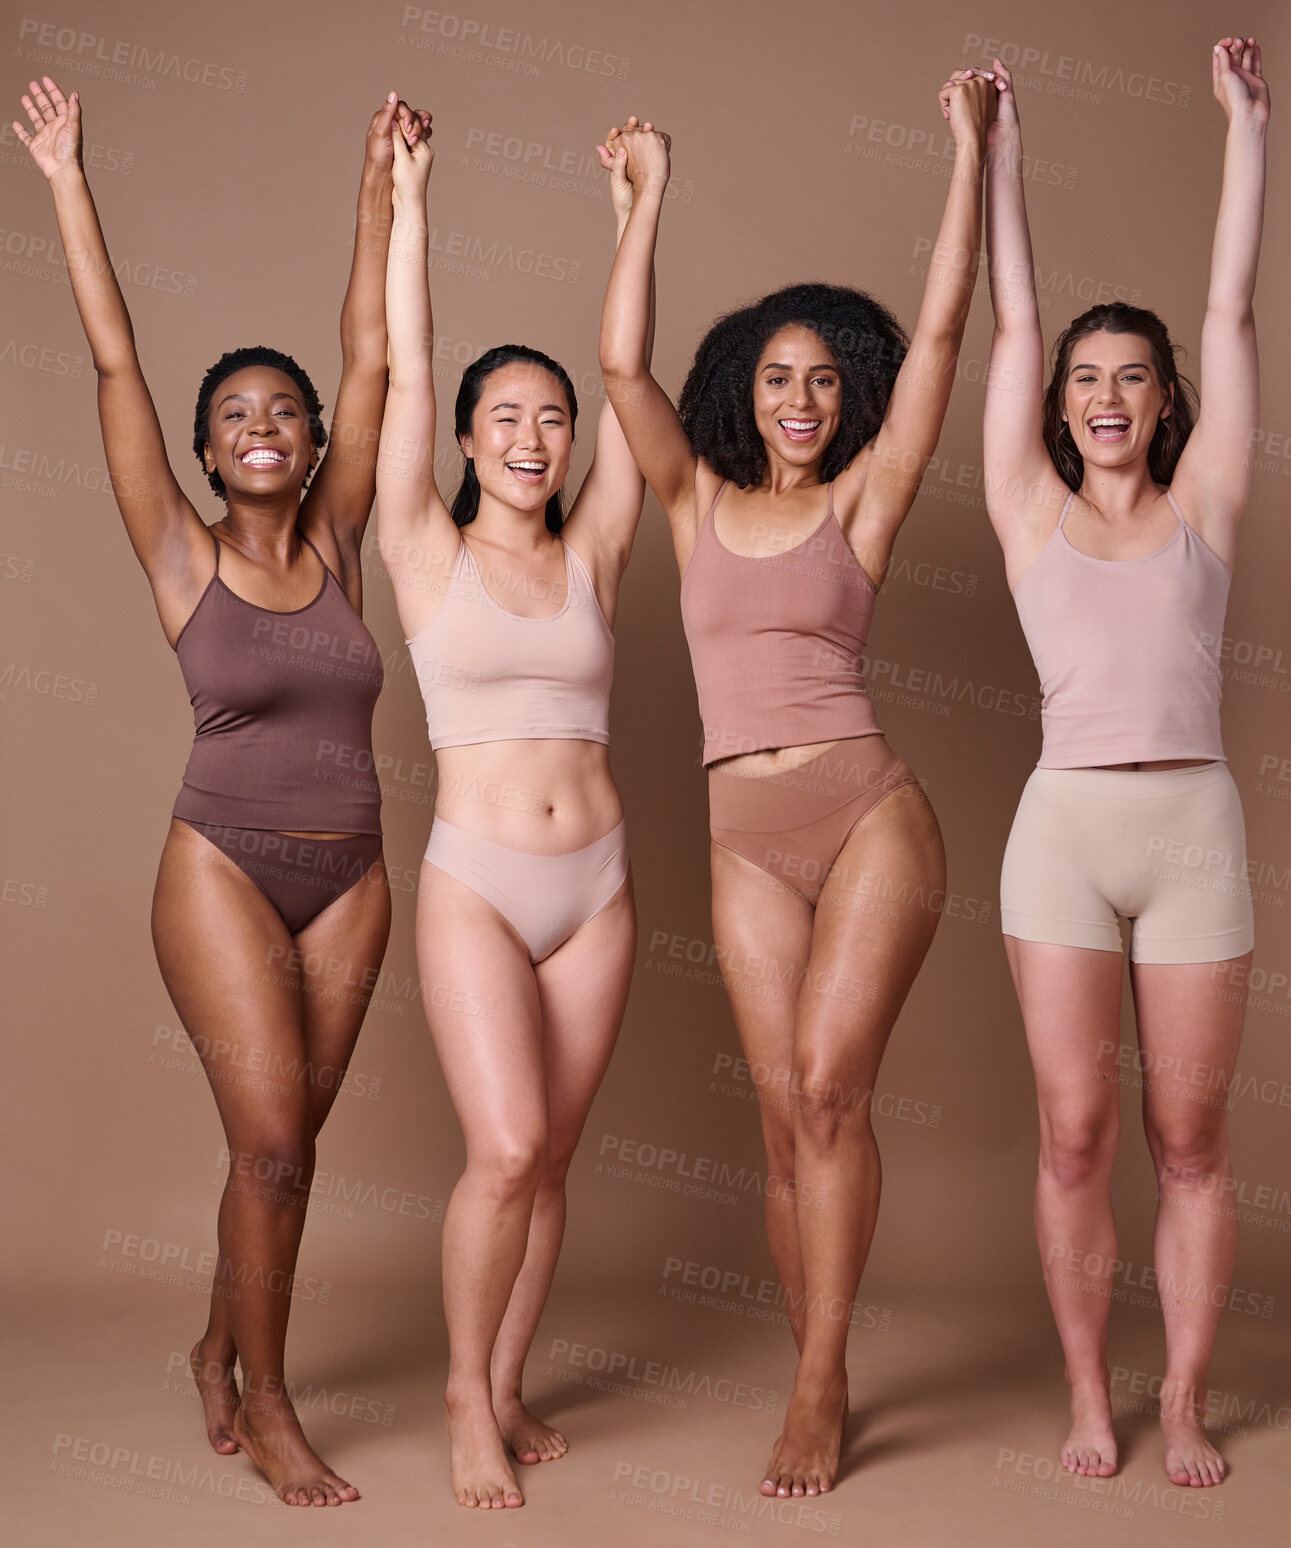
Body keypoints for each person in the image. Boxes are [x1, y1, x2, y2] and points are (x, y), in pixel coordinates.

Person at [13, 75, 429, 1507]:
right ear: (206, 452)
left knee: (288, 1152)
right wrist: (69, 180)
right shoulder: (182, 556)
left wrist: (378, 190)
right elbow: (119, 367)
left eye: (283, 412)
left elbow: (369, 358)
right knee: (270, 1145)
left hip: (357, 878)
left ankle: (212, 1343)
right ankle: (267, 1399)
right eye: (233, 414)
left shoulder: (344, 536)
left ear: (310, 443)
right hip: (224, 866)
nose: (262, 423)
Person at [599, 76, 997, 1497]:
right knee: (782, 1128)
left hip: (866, 811)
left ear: (852, 399)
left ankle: (823, 1382)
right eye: (777, 377)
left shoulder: (864, 500)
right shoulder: (695, 500)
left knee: (830, 1093)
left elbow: (945, 329)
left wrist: (966, 150)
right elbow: (622, 375)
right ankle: (810, 1345)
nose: (801, 399)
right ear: (742, 393)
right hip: (741, 838)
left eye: (826, 377)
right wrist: (644, 206)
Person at [982, 42, 1266, 1487]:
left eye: (1132, 380)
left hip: (1195, 830)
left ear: (1165, 405)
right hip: (1066, 839)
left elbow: (1229, 304)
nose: (1105, 396)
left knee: (1190, 1132)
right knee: (1081, 1132)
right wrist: (1001, 153)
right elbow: (1014, 314)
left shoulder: (1208, 500)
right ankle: (1093, 1394)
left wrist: (1243, 128)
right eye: (1088, 380)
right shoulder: (1027, 506)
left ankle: (1187, 1398)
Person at [376, 111, 654, 1509]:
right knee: (499, 1147)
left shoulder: (597, 542)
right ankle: (455, 1399)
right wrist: (416, 195)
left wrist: (629, 217)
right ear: (473, 446)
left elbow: (631, 385)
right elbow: (411, 369)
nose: (538, 437)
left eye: (551, 418)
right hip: (480, 879)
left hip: (597, 885)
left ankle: (505, 1379)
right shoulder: (425, 550)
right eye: (511, 419)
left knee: (550, 1158)